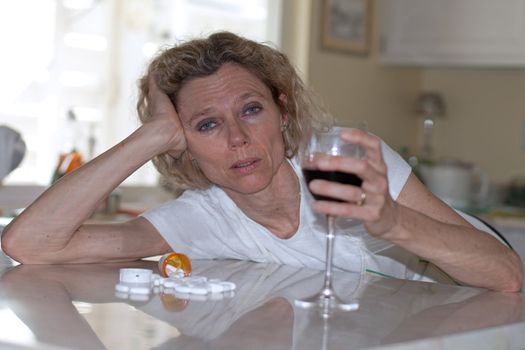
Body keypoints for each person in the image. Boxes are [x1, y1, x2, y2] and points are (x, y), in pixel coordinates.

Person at [1, 32, 522, 292]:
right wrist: (152, 135)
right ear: (182, 144)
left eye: (251, 109)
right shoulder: (200, 217)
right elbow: (29, 245)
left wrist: (392, 221)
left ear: (283, 110)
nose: (238, 137)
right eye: (206, 124)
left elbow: (505, 274)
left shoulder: (342, 159)